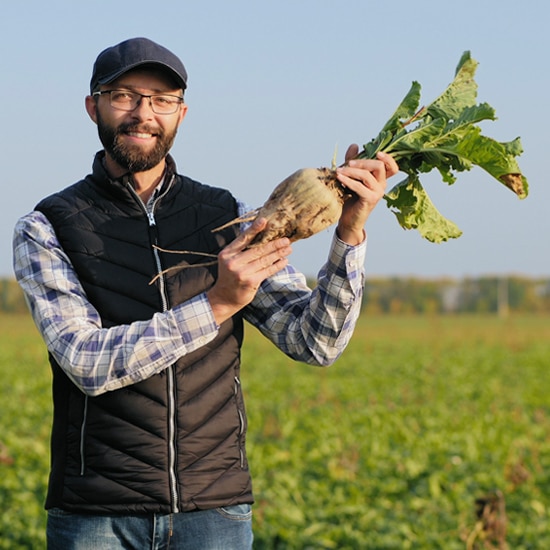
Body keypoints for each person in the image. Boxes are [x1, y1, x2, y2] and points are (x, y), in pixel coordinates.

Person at [12, 37, 399, 550]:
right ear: (93, 106)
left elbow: (314, 342)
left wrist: (349, 233)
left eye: (162, 100)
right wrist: (217, 303)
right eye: (124, 95)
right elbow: (85, 362)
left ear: (181, 113)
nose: (143, 113)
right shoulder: (47, 227)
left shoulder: (228, 217)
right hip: (95, 514)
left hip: (213, 511)